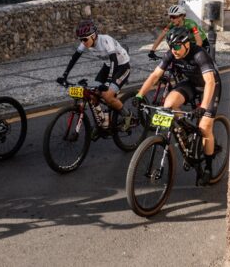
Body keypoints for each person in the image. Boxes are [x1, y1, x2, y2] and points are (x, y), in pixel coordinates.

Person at [134, 26, 221, 185]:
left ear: (187, 44)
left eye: (176, 46)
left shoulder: (200, 54)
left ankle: (208, 168)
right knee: (168, 105)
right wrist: (140, 95)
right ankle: (185, 130)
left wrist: (203, 107)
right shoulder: (171, 54)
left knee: (205, 127)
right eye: (171, 46)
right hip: (192, 84)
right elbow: (155, 75)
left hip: (211, 87)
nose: (173, 50)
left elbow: (210, 82)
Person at [56, 20, 132, 132]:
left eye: (85, 39)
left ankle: (127, 116)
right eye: (81, 40)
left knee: (108, 96)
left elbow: (114, 61)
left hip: (122, 66)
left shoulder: (105, 40)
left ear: (94, 36)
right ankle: (101, 121)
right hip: (107, 66)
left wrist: (108, 82)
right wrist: (64, 75)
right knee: (92, 94)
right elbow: (74, 57)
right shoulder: (85, 42)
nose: (83, 42)